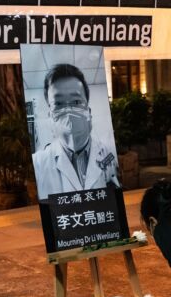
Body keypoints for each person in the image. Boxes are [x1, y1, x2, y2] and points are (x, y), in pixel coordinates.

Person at [32, 63, 120, 201]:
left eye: (77, 101)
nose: (69, 111)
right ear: (50, 116)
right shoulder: (38, 164)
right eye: (59, 104)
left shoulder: (109, 155)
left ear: (89, 112)